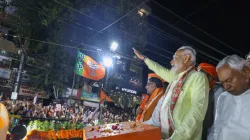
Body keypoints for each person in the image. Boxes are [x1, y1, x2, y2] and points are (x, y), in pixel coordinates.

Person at [133, 46, 209, 140]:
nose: (171, 62)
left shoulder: (198, 77)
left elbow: (197, 112)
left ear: (186, 58)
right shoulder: (175, 79)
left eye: (175, 58)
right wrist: (145, 59)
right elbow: (159, 69)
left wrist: (176, 138)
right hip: (164, 136)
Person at [208, 55, 250, 140]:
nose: (226, 87)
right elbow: (217, 127)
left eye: (229, 80)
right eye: (222, 83)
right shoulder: (223, 97)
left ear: (246, 73)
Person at [197, 63, 224, 140]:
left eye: (202, 75)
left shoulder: (218, 91)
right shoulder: (200, 89)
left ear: (210, 77)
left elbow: (218, 118)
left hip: (208, 134)